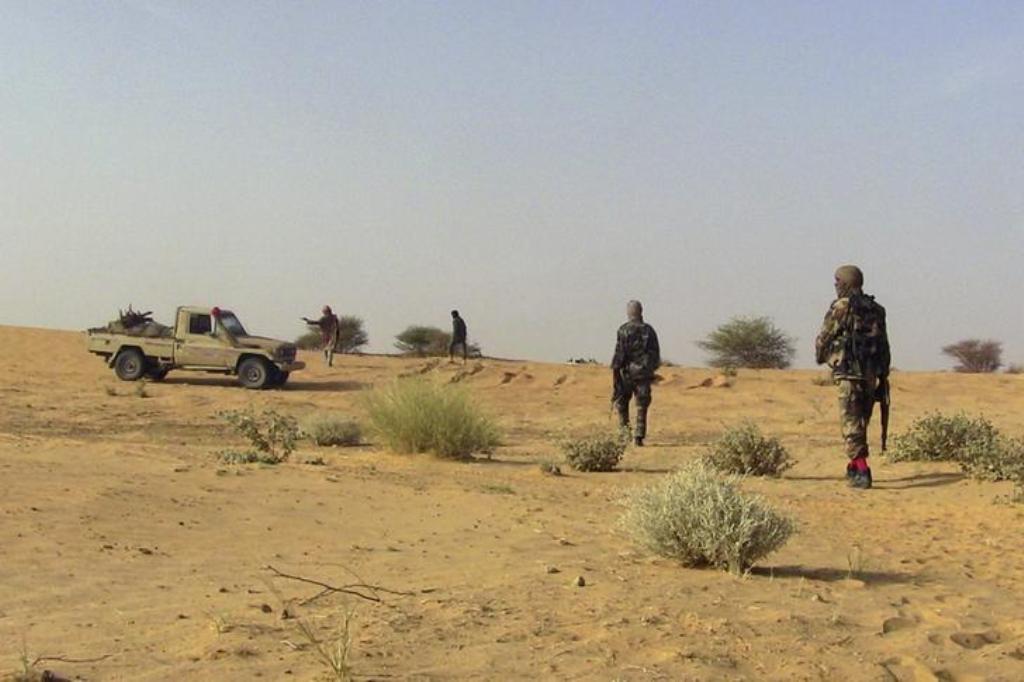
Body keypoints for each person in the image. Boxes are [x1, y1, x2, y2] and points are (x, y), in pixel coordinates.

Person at [815, 265, 891, 489]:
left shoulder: (841, 306)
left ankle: (862, 470)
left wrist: (821, 356)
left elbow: (825, 336)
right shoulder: (877, 309)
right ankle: (853, 465)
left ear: (846, 283)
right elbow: (884, 344)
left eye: (838, 281)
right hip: (869, 373)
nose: (836, 285)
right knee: (861, 420)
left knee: (850, 422)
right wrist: (882, 374)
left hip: (848, 372)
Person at [611, 300, 660, 447]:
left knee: (622, 403)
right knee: (642, 405)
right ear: (641, 311)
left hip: (626, 372)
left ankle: (624, 433)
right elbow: (655, 354)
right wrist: (650, 370)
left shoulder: (623, 330)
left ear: (629, 312)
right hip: (643, 374)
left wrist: (616, 370)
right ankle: (638, 436)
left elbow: (619, 353)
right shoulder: (649, 330)